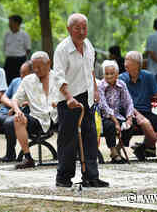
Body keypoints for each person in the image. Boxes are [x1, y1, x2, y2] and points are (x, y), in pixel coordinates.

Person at [53, 13, 109, 188]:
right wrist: (69, 98)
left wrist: (95, 90)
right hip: (68, 98)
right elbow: (59, 77)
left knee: (90, 137)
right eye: (77, 28)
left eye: (84, 27)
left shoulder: (88, 45)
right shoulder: (62, 49)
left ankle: (91, 176)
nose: (82, 31)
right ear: (69, 29)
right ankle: (63, 177)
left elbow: (90, 69)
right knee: (68, 140)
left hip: (87, 97)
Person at [119, 51, 157, 161]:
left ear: (137, 64)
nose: (125, 64)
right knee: (145, 123)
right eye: (125, 60)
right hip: (129, 114)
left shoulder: (148, 76)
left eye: (127, 61)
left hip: (147, 113)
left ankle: (143, 147)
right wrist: (139, 116)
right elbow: (124, 103)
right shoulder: (122, 78)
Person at [9, 51, 58, 169]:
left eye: (39, 67)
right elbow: (15, 100)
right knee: (17, 119)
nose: (36, 70)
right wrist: (17, 110)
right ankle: (28, 158)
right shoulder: (27, 81)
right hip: (37, 119)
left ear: (48, 64)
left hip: (57, 116)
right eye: (34, 67)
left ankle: (70, 156)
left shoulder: (59, 77)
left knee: (70, 116)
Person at [98, 60, 134, 163]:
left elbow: (128, 102)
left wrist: (129, 118)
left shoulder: (121, 84)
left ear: (117, 74)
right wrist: (116, 122)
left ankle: (117, 149)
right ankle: (113, 151)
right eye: (106, 74)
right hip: (104, 116)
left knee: (131, 125)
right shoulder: (101, 86)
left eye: (112, 73)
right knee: (110, 126)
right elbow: (103, 106)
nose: (109, 76)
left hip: (118, 115)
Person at [3, 15, 31, 85]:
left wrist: (25, 62)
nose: (9, 24)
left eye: (11, 22)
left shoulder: (24, 35)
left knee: (20, 79)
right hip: (9, 60)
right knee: (7, 79)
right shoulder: (7, 34)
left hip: (20, 60)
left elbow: (28, 49)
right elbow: (4, 47)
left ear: (17, 23)